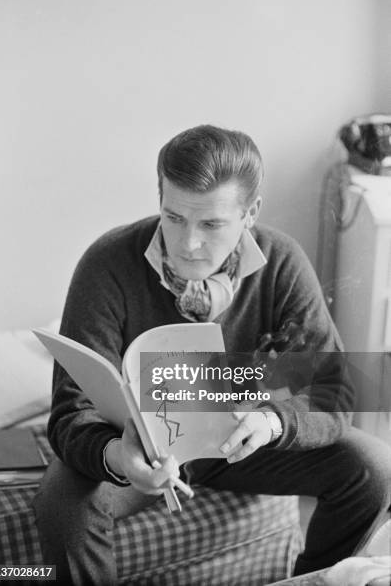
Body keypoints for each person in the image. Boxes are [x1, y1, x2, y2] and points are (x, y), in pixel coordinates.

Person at [33, 125, 391, 585]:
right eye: (174, 217)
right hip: (139, 447)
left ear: (250, 213)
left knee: (372, 467)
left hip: (238, 445)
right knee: (62, 503)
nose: (188, 244)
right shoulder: (108, 264)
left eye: (211, 224)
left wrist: (271, 422)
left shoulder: (281, 262)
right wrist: (117, 457)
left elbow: (333, 387)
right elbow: (70, 411)